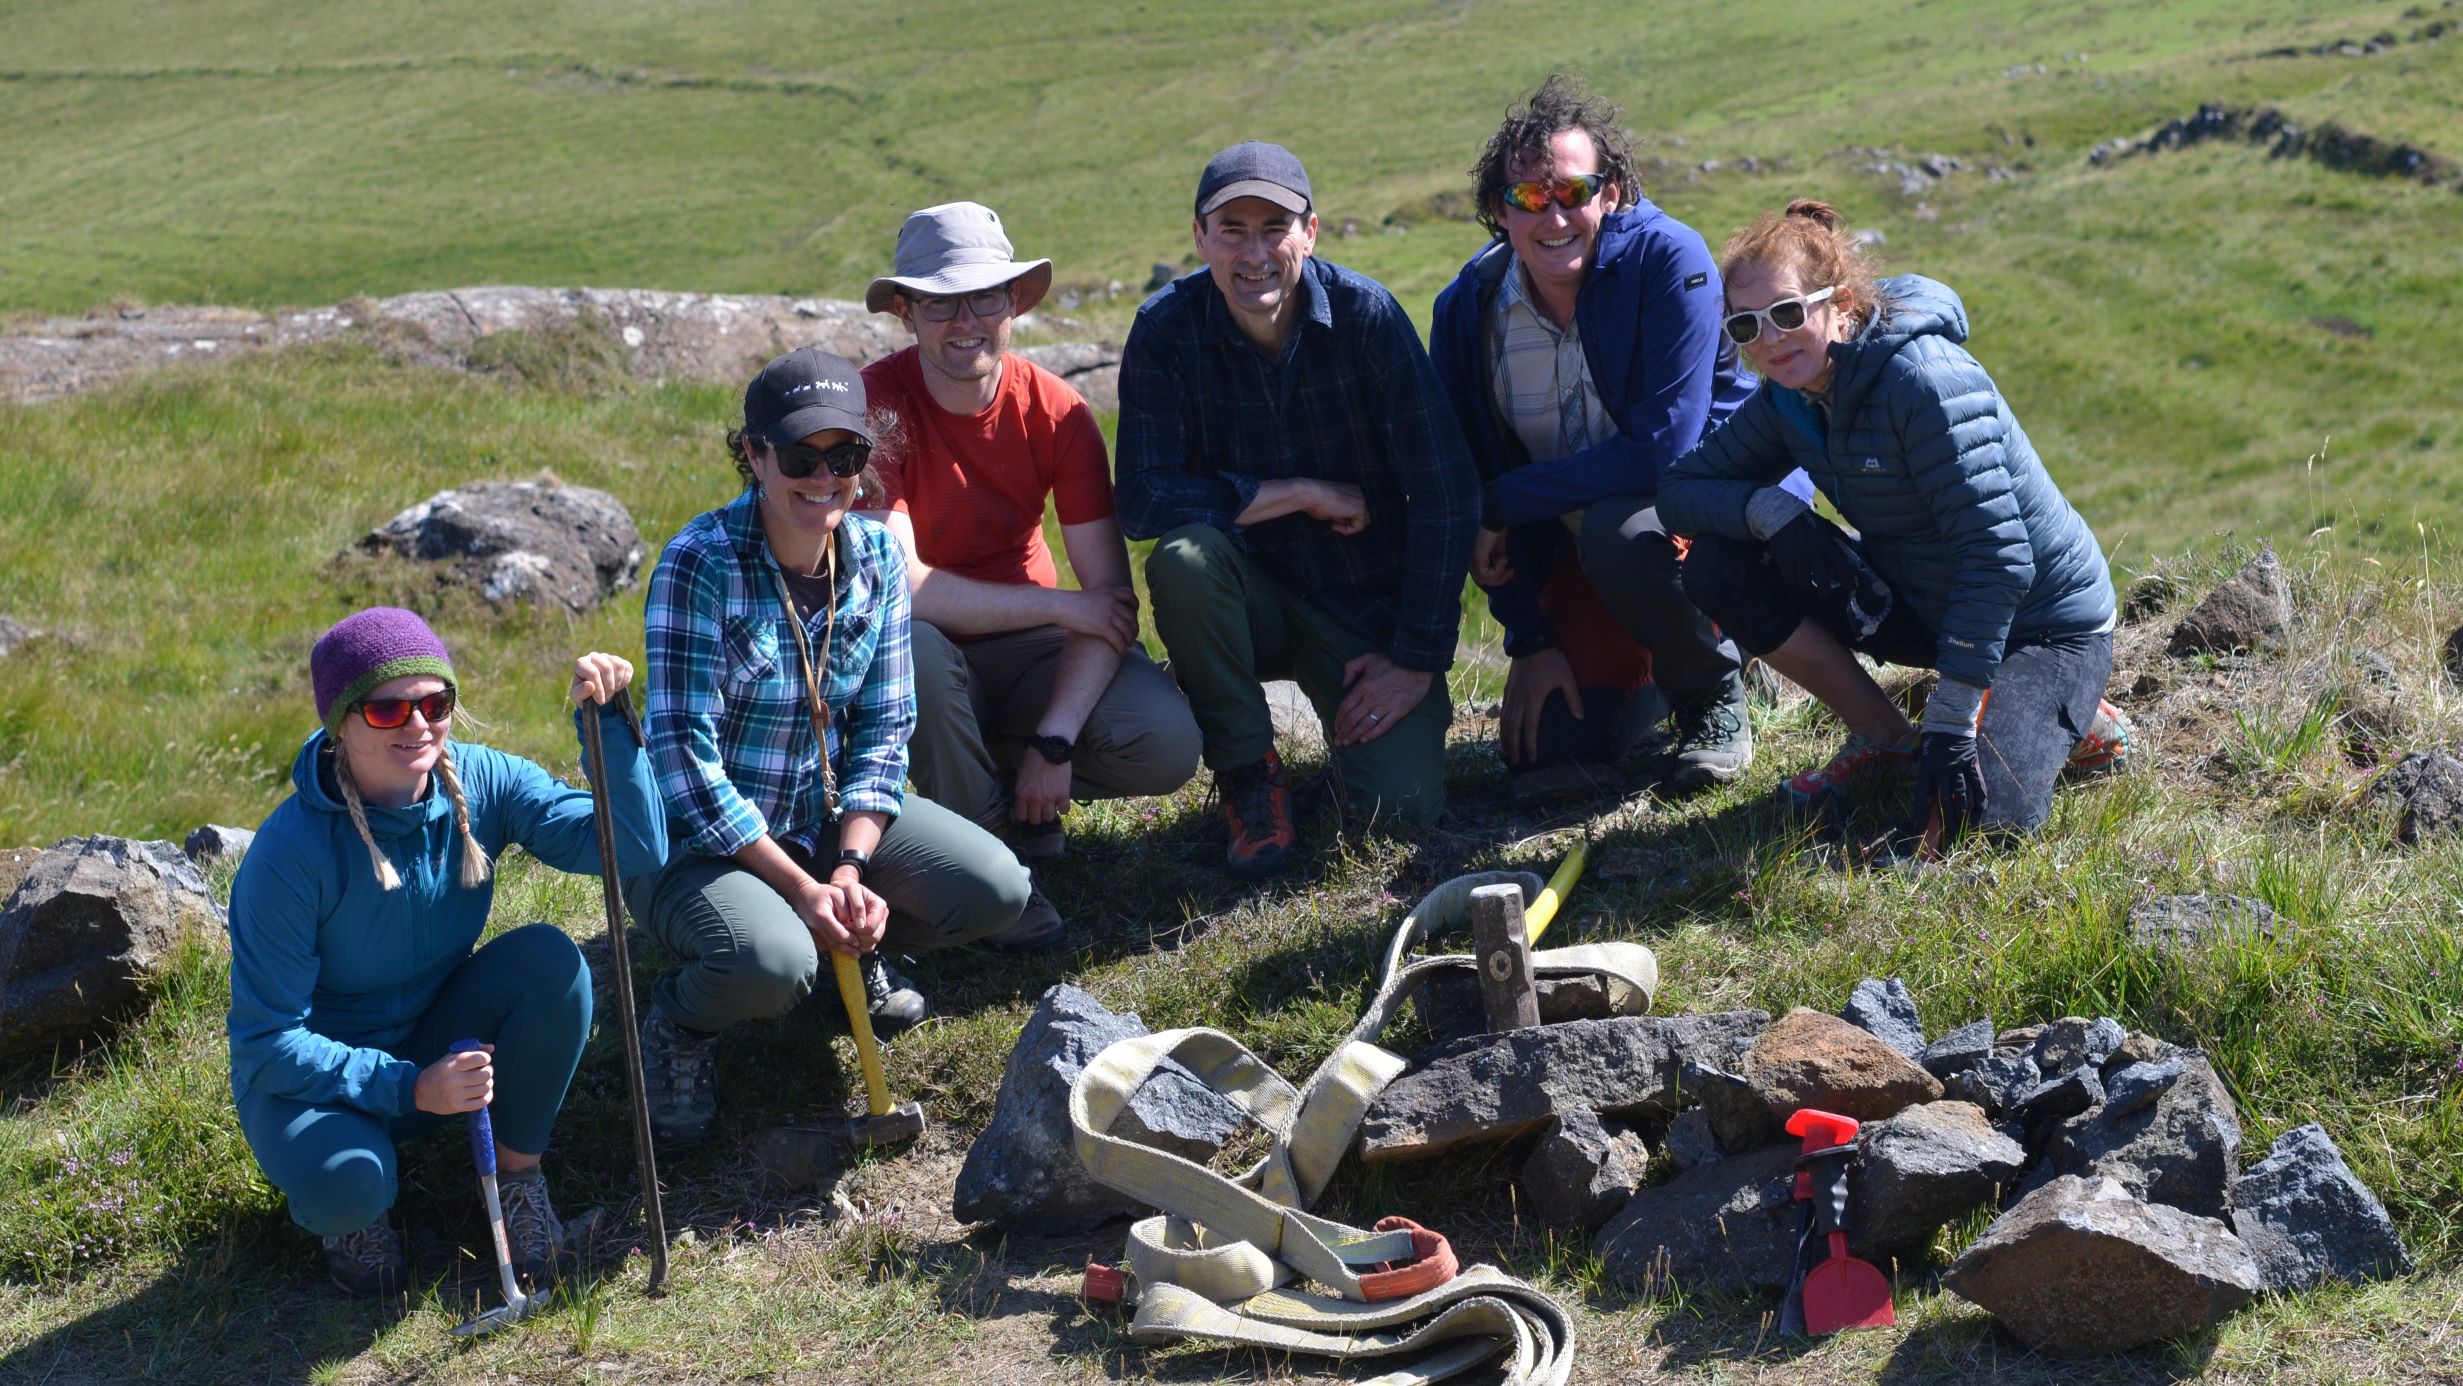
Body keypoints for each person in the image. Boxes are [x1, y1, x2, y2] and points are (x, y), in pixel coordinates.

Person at [628, 345, 1030, 1147]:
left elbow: (884, 730)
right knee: (770, 966)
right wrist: (797, 886)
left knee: (997, 890)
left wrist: (845, 872)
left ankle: (850, 939)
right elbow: (682, 758)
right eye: (798, 456)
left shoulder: (877, 555)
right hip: (698, 844)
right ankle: (680, 1023)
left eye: (844, 455)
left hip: (823, 823)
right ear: (752, 455)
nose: (824, 477)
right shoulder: (698, 563)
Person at [1658, 200, 2132, 848]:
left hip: (2044, 623)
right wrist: (1773, 514)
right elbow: (1680, 490)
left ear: (1840, 303)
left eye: (1787, 313)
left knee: (1983, 828)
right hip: (1927, 603)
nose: (1768, 339)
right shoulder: (1786, 399)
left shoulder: (1924, 382)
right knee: (1715, 564)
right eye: (1745, 325)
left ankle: (2073, 718)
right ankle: (1889, 740)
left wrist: (1951, 717)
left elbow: (1999, 558)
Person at [227, 607, 665, 1298]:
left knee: (550, 964)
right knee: (349, 1181)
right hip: (311, 1084)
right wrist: (410, 1087)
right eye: (386, 710)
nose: (417, 724)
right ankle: (354, 1217)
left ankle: (518, 1182)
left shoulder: (483, 782)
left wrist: (608, 726)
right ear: (339, 722)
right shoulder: (289, 855)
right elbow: (266, 1043)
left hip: (433, 1037)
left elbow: (633, 850)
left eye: (435, 702)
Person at [1116, 141, 1481, 875]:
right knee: (1184, 558)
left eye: (1273, 228)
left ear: (1309, 234)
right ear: (1199, 237)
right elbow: (1143, 499)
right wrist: (1300, 494)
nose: (1254, 254)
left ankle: (1349, 751)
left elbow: (1446, 491)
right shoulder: (1165, 331)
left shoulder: (1366, 317)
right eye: (1232, 230)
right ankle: (1248, 772)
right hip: (1243, 599)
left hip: (1361, 610)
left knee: (1395, 814)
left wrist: (1414, 658)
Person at [1431, 74, 1795, 799]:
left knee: (1619, 531)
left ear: (1612, 192)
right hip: (1580, 551)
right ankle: (1670, 660)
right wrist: (1529, 640)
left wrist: (1501, 501)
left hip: (1710, 520)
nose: (1554, 215)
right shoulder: (1465, 310)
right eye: (1529, 198)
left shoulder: (1670, 261)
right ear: (1498, 212)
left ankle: (1714, 687)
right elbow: (1466, 490)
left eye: (1573, 191)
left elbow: (1663, 452)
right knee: (1549, 753)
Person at [859, 202, 1201, 949]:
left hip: (1030, 649)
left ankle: (1017, 788)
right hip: (928, 650)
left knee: (1168, 742)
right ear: (906, 313)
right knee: (909, 641)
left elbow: (1107, 601)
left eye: (983, 296)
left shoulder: (1058, 413)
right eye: (939, 301)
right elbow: (902, 587)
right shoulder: (874, 407)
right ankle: (987, 863)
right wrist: (1065, 609)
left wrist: (1054, 743)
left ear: (1013, 302)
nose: (964, 320)